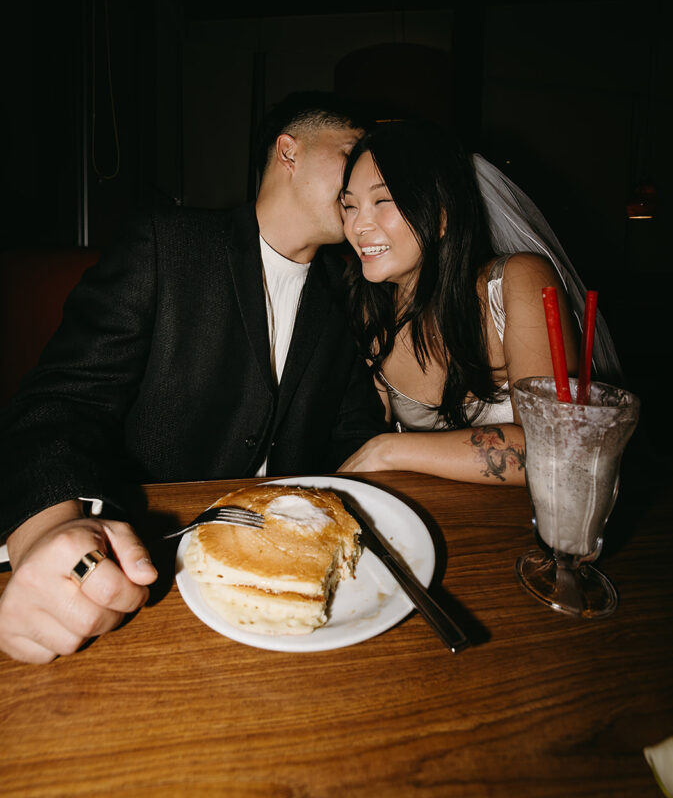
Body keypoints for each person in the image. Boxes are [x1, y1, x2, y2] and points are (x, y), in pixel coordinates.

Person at [0, 91, 385, 663]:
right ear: (289, 152)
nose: (370, 176)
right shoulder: (168, 242)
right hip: (150, 570)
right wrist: (47, 534)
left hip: (285, 590)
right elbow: (60, 403)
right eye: (354, 153)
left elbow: (351, 439)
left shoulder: (348, 295)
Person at [337, 118, 589, 484]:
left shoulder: (517, 283)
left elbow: (558, 448)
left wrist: (387, 449)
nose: (357, 226)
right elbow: (358, 428)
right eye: (350, 206)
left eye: (382, 200)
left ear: (442, 215)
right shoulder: (370, 311)